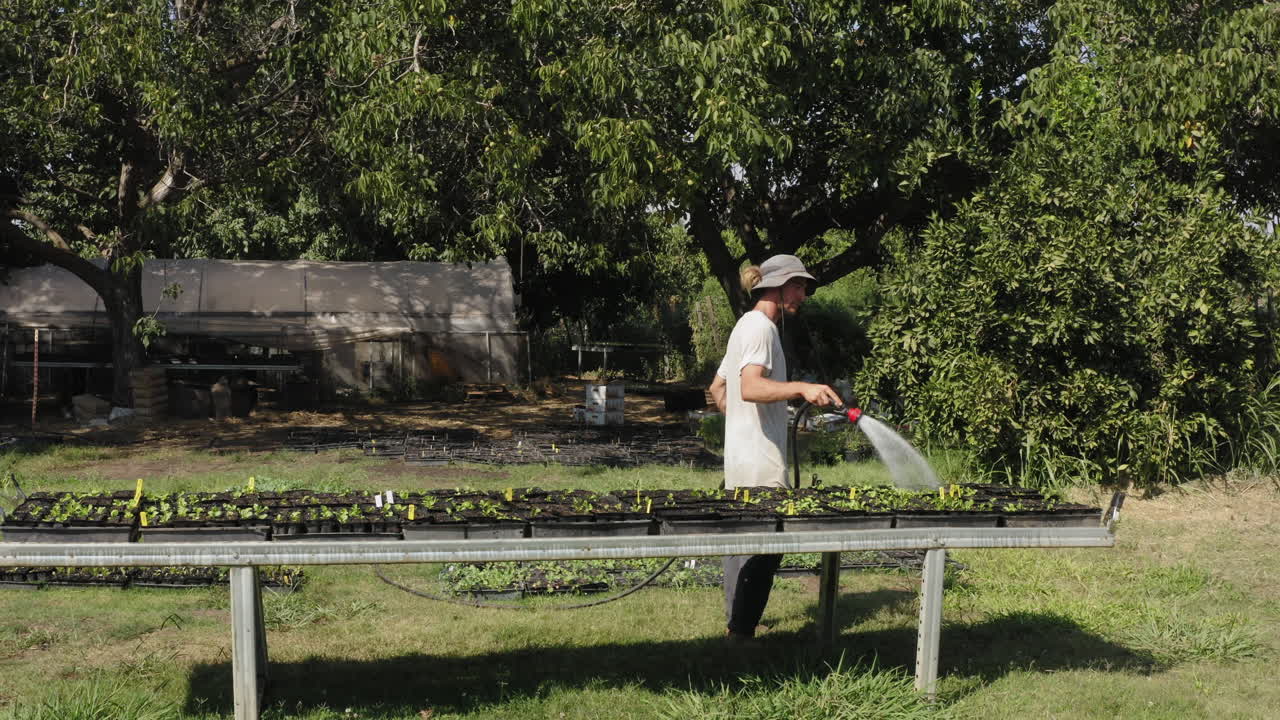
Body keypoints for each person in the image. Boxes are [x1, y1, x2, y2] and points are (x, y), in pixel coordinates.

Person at [708, 254, 844, 642]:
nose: (803, 294)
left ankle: (736, 626)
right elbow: (749, 387)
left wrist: (741, 426)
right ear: (779, 285)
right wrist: (801, 387)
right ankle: (740, 635)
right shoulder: (762, 330)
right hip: (759, 464)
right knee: (762, 550)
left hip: (743, 460)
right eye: (799, 285)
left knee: (745, 546)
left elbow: (720, 388)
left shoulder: (745, 327)